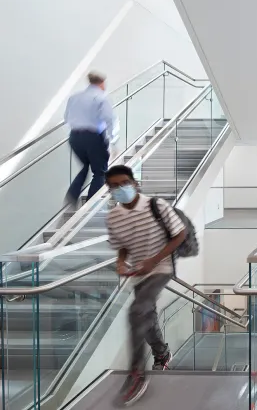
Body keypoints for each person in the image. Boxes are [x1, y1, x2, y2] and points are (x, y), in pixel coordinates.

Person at [105, 165, 187, 406]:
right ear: (110, 189)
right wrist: (120, 263)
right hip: (138, 273)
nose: (121, 189)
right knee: (146, 315)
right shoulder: (113, 216)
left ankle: (137, 374)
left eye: (124, 183)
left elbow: (179, 234)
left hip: (161, 269)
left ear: (135, 183)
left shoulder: (157, 206)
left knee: (137, 311)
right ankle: (162, 352)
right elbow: (121, 245)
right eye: (115, 186)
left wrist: (154, 260)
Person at [64, 72, 118, 206]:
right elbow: (110, 119)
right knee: (100, 172)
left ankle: (71, 196)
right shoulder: (101, 98)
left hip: (74, 137)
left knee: (85, 166)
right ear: (101, 83)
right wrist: (114, 141)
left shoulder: (74, 97)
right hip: (93, 137)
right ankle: (89, 206)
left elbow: (66, 118)